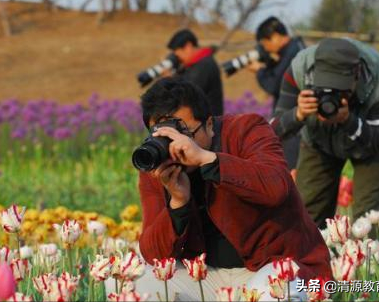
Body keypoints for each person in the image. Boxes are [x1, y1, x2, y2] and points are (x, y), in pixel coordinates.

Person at [122, 77, 332, 301]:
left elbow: (276, 187)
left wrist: (208, 160)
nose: (176, 146)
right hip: (207, 276)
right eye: (165, 136)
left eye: (184, 134)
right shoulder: (156, 163)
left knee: (275, 292)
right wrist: (177, 203)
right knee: (129, 284)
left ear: (209, 125)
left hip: (272, 265)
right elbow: (154, 254)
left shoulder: (247, 129)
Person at [270, 37, 379, 229]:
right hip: (318, 139)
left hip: (369, 138)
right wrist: (298, 114)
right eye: (324, 89)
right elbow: (273, 131)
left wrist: (348, 121)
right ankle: (311, 258)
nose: (333, 96)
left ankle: (369, 258)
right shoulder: (299, 70)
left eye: (341, 90)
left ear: (356, 75)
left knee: (370, 219)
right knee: (308, 213)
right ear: (314, 74)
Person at [247, 17, 305, 169]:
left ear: (276, 37)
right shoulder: (295, 49)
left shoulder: (293, 53)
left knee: (289, 172)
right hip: (292, 121)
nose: (266, 49)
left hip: (293, 125)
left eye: (266, 44)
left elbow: (274, 85)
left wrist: (260, 71)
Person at [166, 29, 224, 116]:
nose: (179, 59)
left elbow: (188, 94)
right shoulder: (194, 65)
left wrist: (170, 79)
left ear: (188, 46)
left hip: (209, 125)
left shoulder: (205, 65)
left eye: (179, 55)